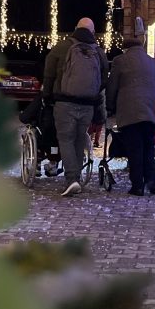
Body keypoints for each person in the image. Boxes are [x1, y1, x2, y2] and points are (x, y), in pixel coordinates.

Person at [43, 17, 108, 197]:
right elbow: (103, 81)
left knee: (65, 139)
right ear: (92, 32)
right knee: (79, 140)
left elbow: (48, 74)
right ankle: (76, 178)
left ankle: (71, 179)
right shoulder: (99, 52)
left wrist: (47, 95)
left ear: (76, 28)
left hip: (64, 103)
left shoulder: (62, 48)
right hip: (88, 105)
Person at [106, 18, 155, 196]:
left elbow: (112, 86)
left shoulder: (120, 61)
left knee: (135, 149)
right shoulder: (151, 61)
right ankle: (151, 182)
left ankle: (137, 186)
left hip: (130, 113)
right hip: (150, 111)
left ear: (126, 48)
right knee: (148, 147)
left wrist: (110, 107)